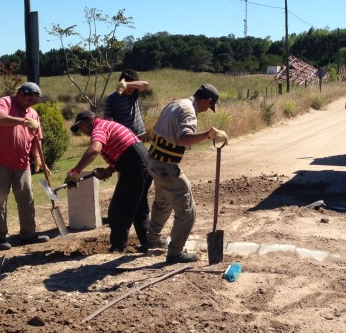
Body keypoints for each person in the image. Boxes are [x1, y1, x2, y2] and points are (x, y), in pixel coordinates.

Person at [145, 84, 228, 264]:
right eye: (209, 106)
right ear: (207, 100)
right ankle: (175, 253)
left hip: (154, 160)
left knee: (163, 201)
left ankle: (151, 239)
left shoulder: (176, 103)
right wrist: (209, 134)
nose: (206, 110)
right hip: (166, 166)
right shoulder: (189, 111)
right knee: (188, 211)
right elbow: (184, 138)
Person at [66, 110, 151, 253]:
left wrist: (75, 172)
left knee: (118, 209)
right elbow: (125, 149)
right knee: (138, 207)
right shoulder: (107, 125)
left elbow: (94, 150)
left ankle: (118, 247)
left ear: (90, 120)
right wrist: (110, 169)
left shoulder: (99, 128)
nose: (81, 131)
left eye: (81, 126)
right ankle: (149, 242)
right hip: (144, 162)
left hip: (135, 165)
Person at [0, 82, 50, 250]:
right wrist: (23, 121)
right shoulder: (5, 102)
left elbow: (36, 139)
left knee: (27, 198)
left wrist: (39, 159)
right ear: (21, 93)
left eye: (34, 102)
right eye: (29, 100)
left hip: (22, 163)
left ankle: (28, 234)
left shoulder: (33, 113)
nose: (31, 104)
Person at [103, 69, 149, 140]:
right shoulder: (112, 98)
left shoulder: (135, 92)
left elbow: (145, 84)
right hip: (124, 137)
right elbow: (107, 121)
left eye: (133, 85)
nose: (131, 89)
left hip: (139, 135)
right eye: (128, 86)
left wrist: (127, 84)